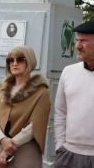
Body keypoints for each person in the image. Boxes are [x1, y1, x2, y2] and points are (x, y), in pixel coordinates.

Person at [0, 45, 50, 168]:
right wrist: (2, 139)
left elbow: (35, 126)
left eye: (20, 59)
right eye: (10, 60)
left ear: (29, 61)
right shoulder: (1, 87)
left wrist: (9, 148)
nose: (14, 63)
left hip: (25, 151)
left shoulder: (41, 92)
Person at [54, 19, 94, 168]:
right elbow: (60, 112)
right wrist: (60, 146)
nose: (77, 45)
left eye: (83, 41)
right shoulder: (68, 72)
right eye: (77, 40)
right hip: (68, 156)